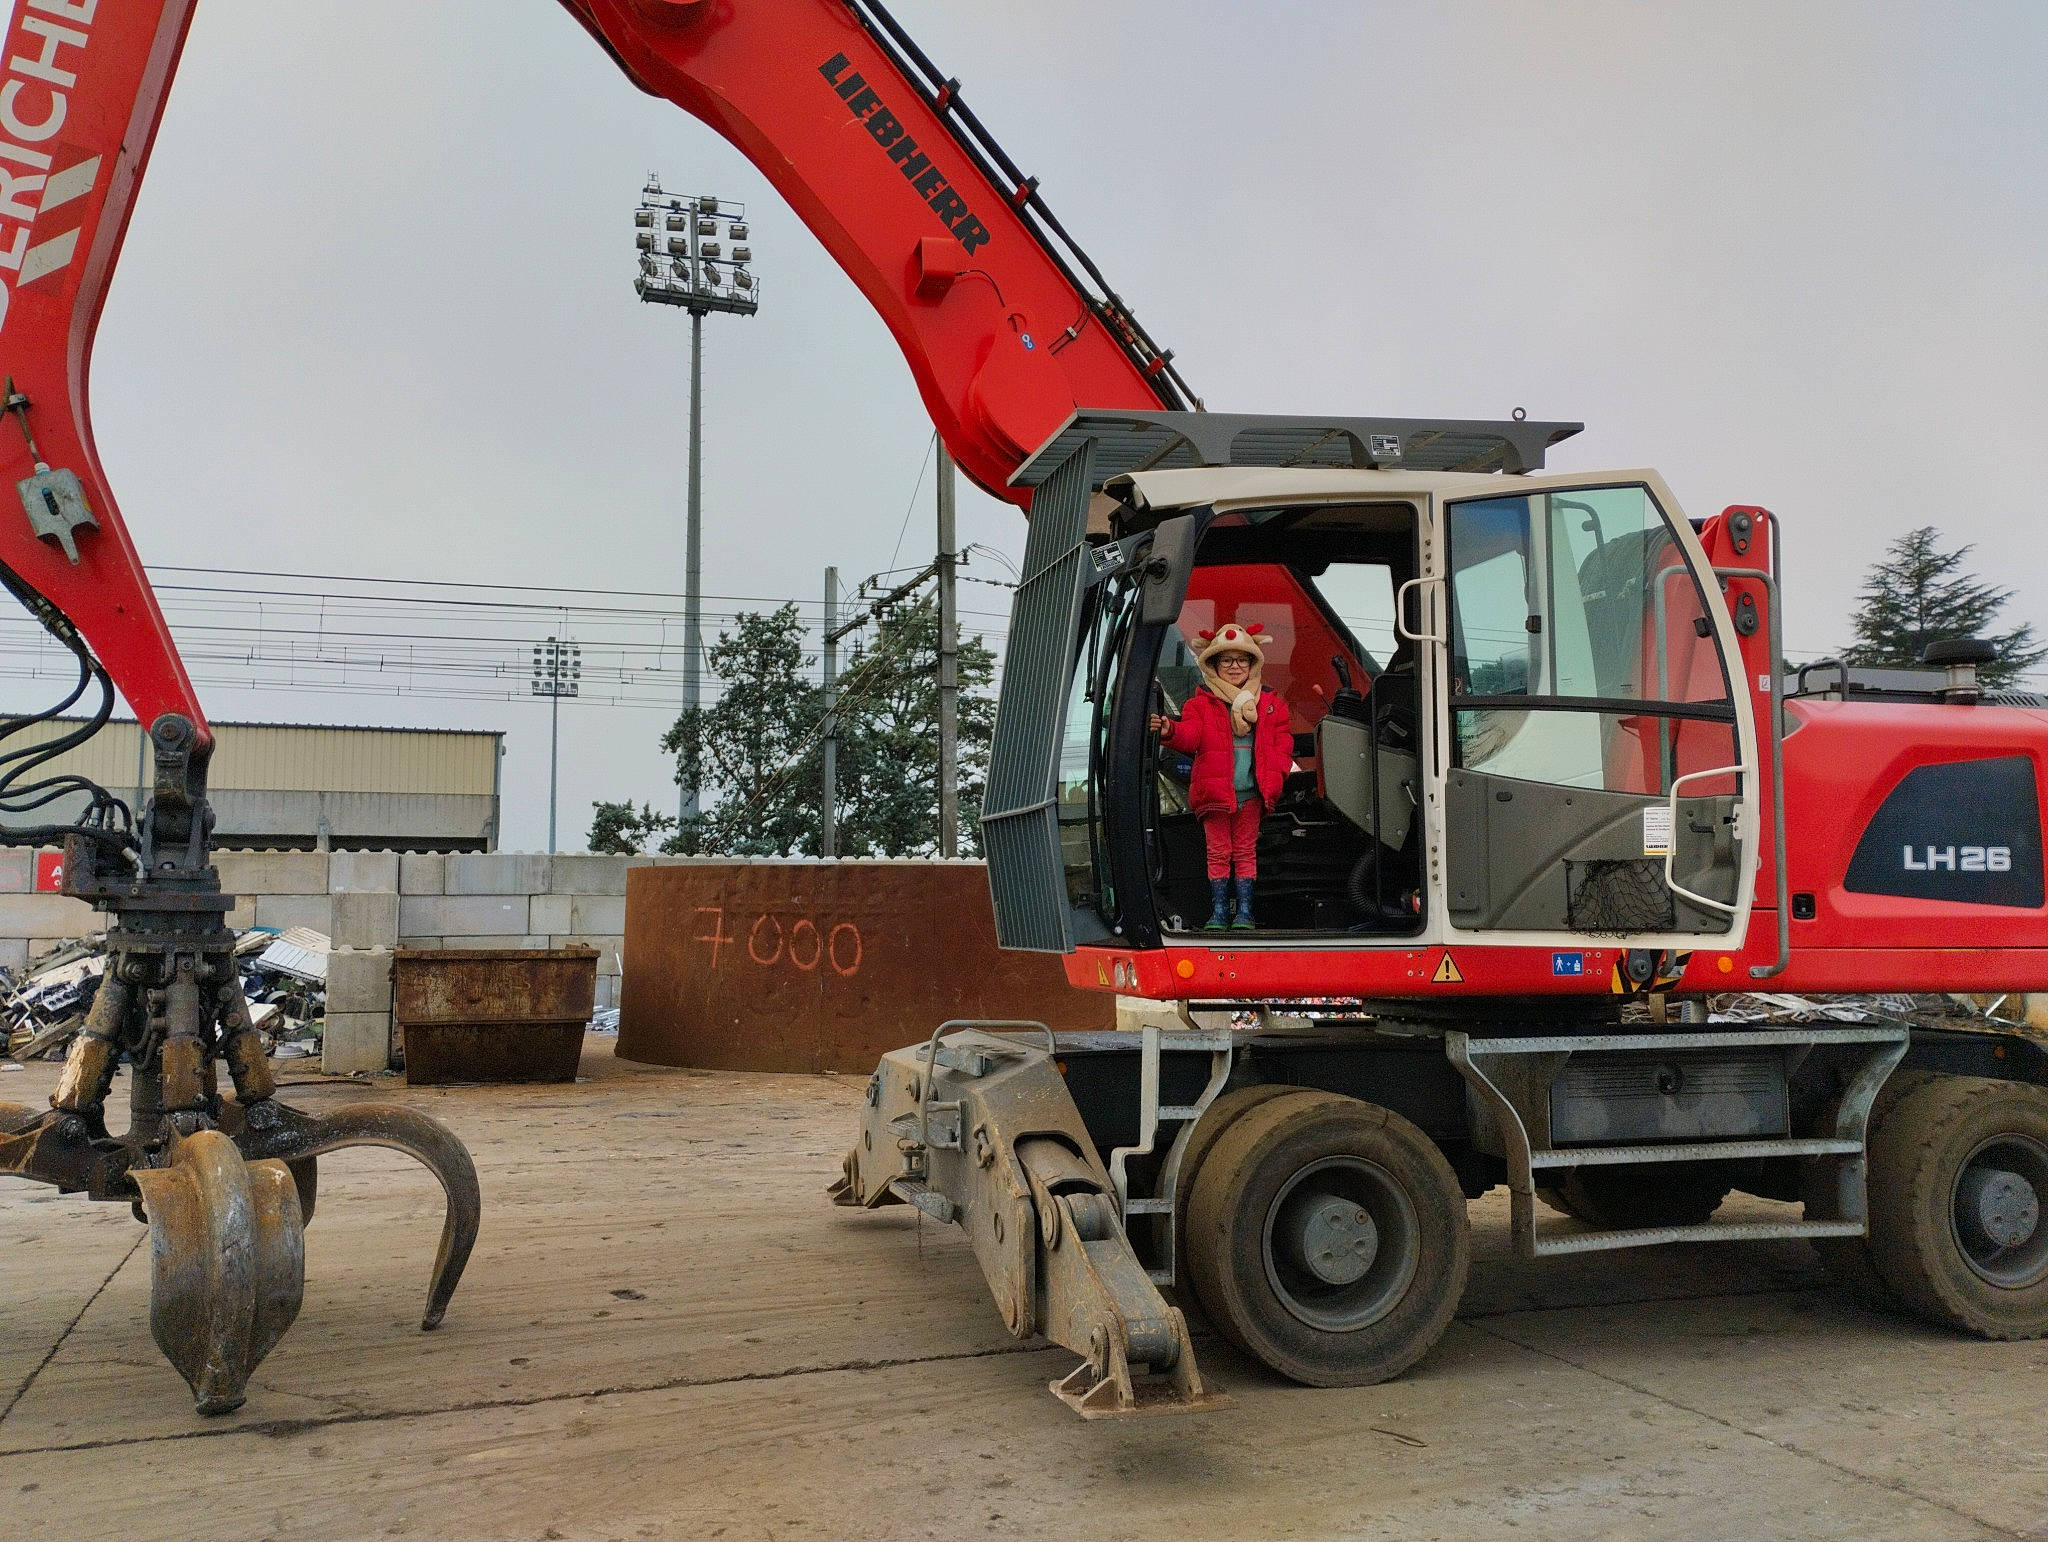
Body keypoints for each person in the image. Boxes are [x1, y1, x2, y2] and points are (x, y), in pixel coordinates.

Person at [1149, 621, 1292, 929]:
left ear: (1253, 663)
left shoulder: (1271, 706)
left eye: (1242, 659)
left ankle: (1244, 913)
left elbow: (1283, 748)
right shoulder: (1200, 705)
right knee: (1218, 853)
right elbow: (1189, 736)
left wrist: (1276, 777)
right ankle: (1218, 913)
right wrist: (1169, 729)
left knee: (1244, 852)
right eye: (1226, 660)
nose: (1234, 666)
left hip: (1252, 795)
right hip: (1214, 795)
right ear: (1213, 665)